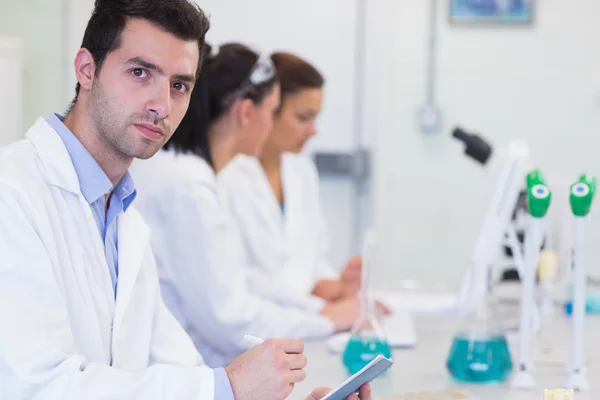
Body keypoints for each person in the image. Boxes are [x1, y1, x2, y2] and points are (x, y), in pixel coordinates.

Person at [0, 2, 370, 399]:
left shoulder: (124, 218)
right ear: (87, 69)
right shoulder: (14, 194)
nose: (161, 106)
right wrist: (229, 385)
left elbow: (182, 370)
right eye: (140, 73)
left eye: (179, 85)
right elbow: (34, 386)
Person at [130, 43, 362, 370]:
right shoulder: (190, 189)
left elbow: (240, 280)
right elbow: (232, 319)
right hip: (183, 372)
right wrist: (326, 321)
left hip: (199, 365)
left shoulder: (193, 175)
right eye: (272, 110)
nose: (270, 125)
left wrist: (318, 310)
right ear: (246, 112)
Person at [218, 52, 383, 310]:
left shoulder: (301, 170)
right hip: (253, 330)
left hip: (302, 323)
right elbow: (238, 278)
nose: (313, 130)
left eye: (316, 118)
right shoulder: (226, 174)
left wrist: (337, 287)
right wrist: (324, 311)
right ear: (269, 109)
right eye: (303, 117)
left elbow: (310, 262)